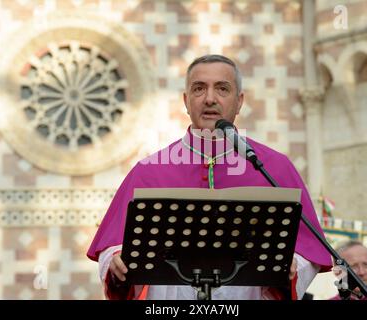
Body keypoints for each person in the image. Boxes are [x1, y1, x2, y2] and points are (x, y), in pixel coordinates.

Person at [87, 54, 332, 300]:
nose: (210, 99)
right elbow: (113, 251)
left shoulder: (273, 167)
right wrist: (116, 261)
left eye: (222, 89)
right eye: (199, 89)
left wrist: (293, 266)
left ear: (239, 101)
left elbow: (308, 250)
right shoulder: (149, 170)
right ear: (186, 101)